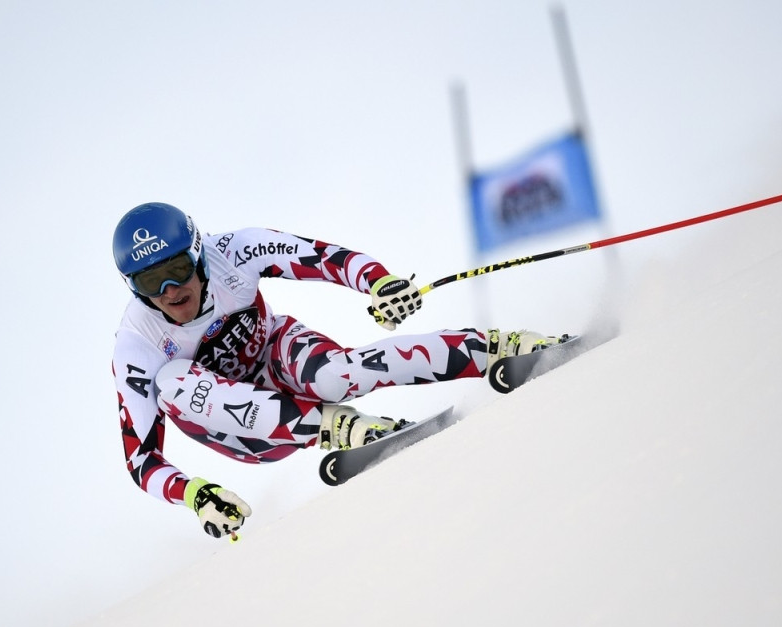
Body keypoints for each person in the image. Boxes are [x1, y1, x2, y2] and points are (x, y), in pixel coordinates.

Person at [112, 202, 562, 538]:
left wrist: (379, 282)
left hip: (274, 353)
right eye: (150, 282)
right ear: (133, 287)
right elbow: (141, 460)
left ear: (198, 253)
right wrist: (194, 495)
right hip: (244, 429)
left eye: (177, 269)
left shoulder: (234, 250)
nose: (169, 290)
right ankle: (338, 428)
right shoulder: (136, 342)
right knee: (170, 382)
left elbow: (323, 257)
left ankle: (498, 348)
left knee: (332, 376)